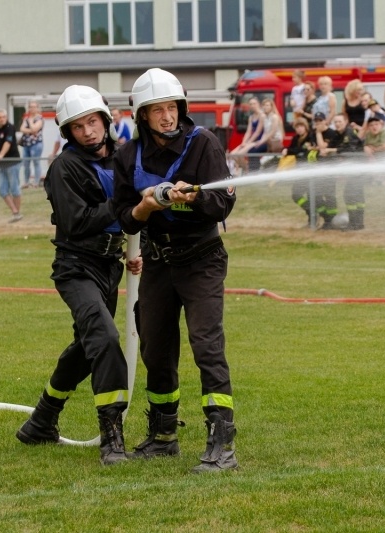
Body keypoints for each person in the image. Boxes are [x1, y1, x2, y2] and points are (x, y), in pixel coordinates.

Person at [113, 68, 239, 473]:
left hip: (202, 258)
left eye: (172, 108)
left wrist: (192, 197)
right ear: (142, 115)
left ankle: (222, 442)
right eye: (157, 110)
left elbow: (223, 204)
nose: (167, 117)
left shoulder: (203, 144)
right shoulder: (127, 156)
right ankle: (163, 435)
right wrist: (145, 206)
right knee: (155, 346)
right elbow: (124, 217)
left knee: (206, 345)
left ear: (181, 109)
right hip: (157, 261)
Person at [15, 84, 142, 466]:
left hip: (110, 266)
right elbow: (77, 222)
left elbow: (141, 210)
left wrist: (140, 250)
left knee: (88, 348)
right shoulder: (64, 168)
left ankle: (42, 421)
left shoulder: (124, 157)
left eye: (92, 122)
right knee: (104, 338)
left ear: (105, 119)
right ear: (67, 132)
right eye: (78, 126)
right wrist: (123, 207)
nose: (88, 131)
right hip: (76, 268)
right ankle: (112, 440)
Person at [229, 96, 265, 173]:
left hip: (259, 140)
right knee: (232, 154)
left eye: (254, 103)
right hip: (251, 141)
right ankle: (246, 168)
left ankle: (246, 170)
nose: (252, 105)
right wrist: (243, 143)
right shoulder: (251, 117)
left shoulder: (262, 115)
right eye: (251, 104)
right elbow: (248, 131)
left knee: (240, 154)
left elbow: (257, 132)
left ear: (258, 104)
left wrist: (248, 142)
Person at [20, 100, 45, 188]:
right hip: (26, 144)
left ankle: (36, 182)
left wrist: (31, 122)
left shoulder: (40, 118)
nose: (32, 109)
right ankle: (26, 182)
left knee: (36, 162)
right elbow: (22, 129)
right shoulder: (26, 118)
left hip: (36, 144)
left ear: (37, 108)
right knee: (26, 164)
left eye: (34, 107)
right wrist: (32, 130)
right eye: (30, 107)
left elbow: (35, 129)